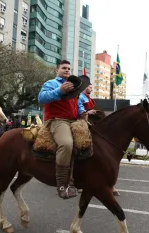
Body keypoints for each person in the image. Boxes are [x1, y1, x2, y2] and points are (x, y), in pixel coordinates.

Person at [38, 60, 89, 200]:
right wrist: (60, 90)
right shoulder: (51, 83)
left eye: (69, 68)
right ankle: (61, 184)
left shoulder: (74, 86)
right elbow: (41, 98)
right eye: (64, 68)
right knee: (67, 144)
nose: (67, 70)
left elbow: (78, 103)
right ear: (57, 70)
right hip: (57, 120)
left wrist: (82, 112)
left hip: (74, 121)